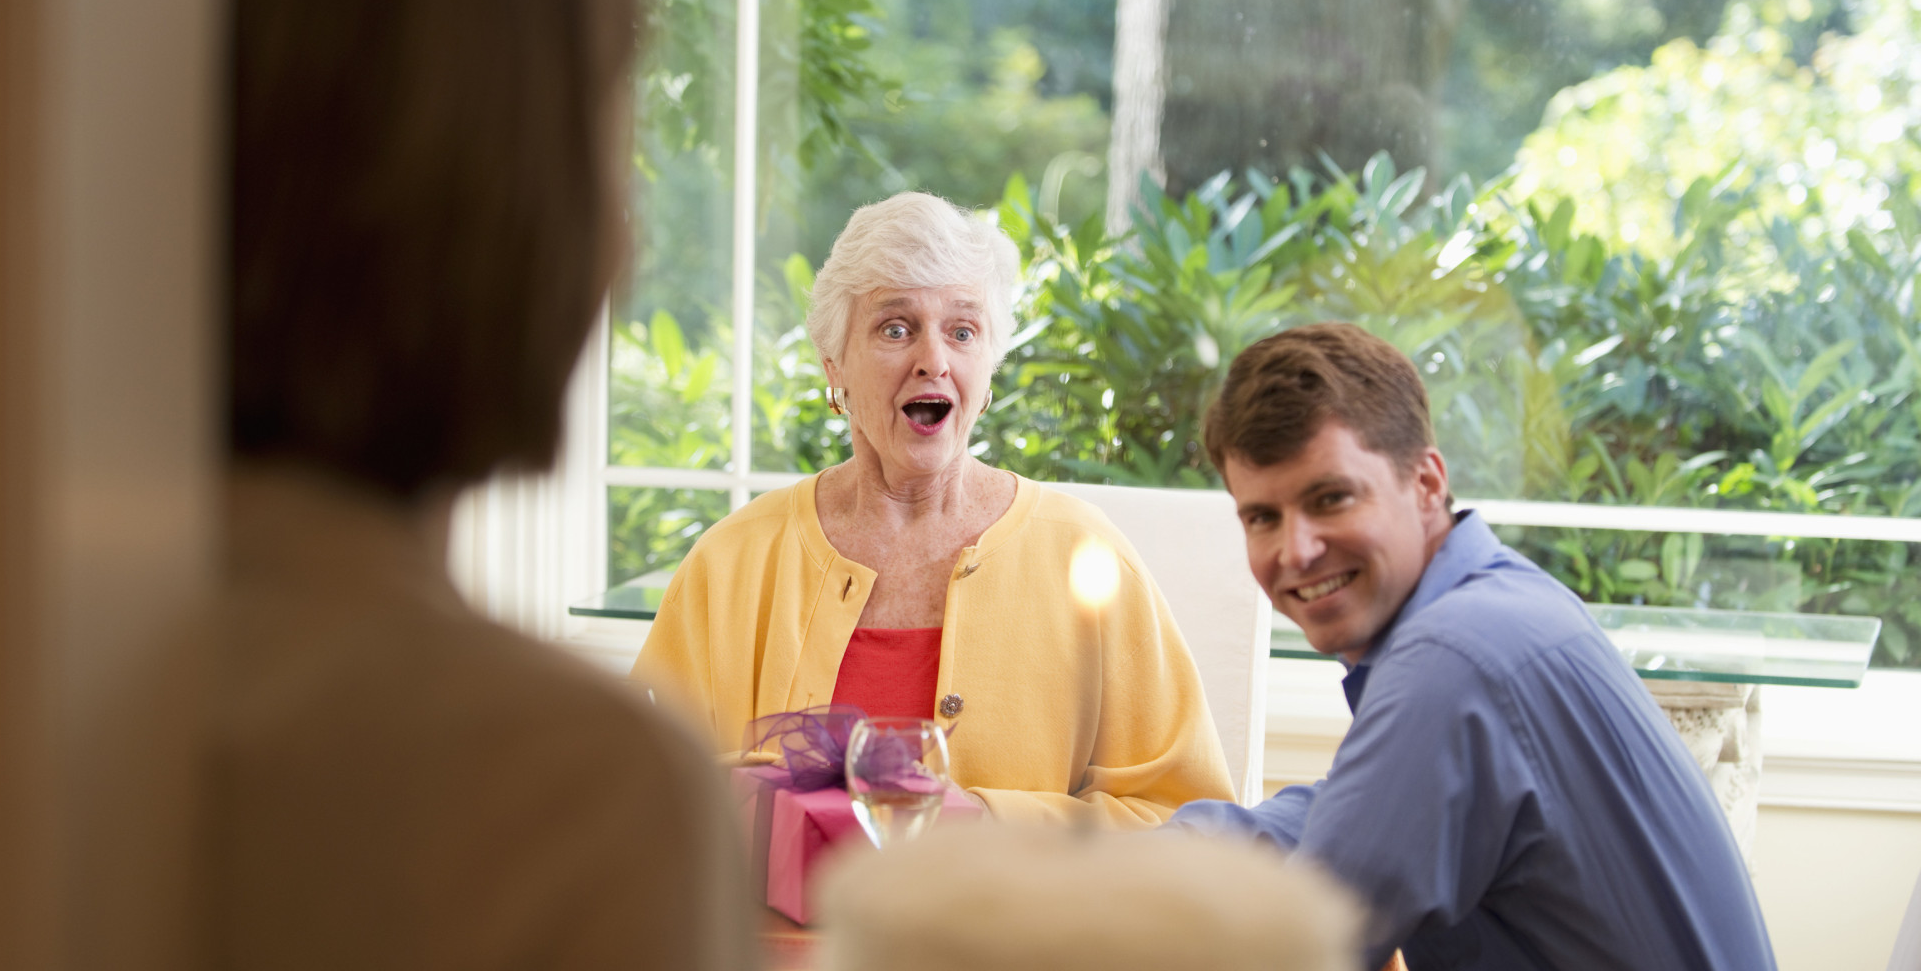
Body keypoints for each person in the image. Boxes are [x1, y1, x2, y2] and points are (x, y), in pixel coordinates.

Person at [215, 0, 750, 967]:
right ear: (513, 188)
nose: (628, 244)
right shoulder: (570, 792)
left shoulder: (31, 653)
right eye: (609, 140)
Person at [1171, 323, 1775, 971]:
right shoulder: (1499, 601)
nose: (1295, 550)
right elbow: (1359, 814)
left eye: (1331, 498)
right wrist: (1159, 847)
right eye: (1262, 517)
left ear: (1427, 483)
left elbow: (1297, 951)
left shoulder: (1452, 660)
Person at [631, 191, 1234, 827]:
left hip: (1009, 929)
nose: (934, 361)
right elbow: (637, 800)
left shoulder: (1087, 557)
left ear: (989, 367)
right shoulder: (730, 563)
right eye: (896, 328)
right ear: (833, 367)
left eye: (963, 331)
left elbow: (1187, 820)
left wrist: (984, 824)